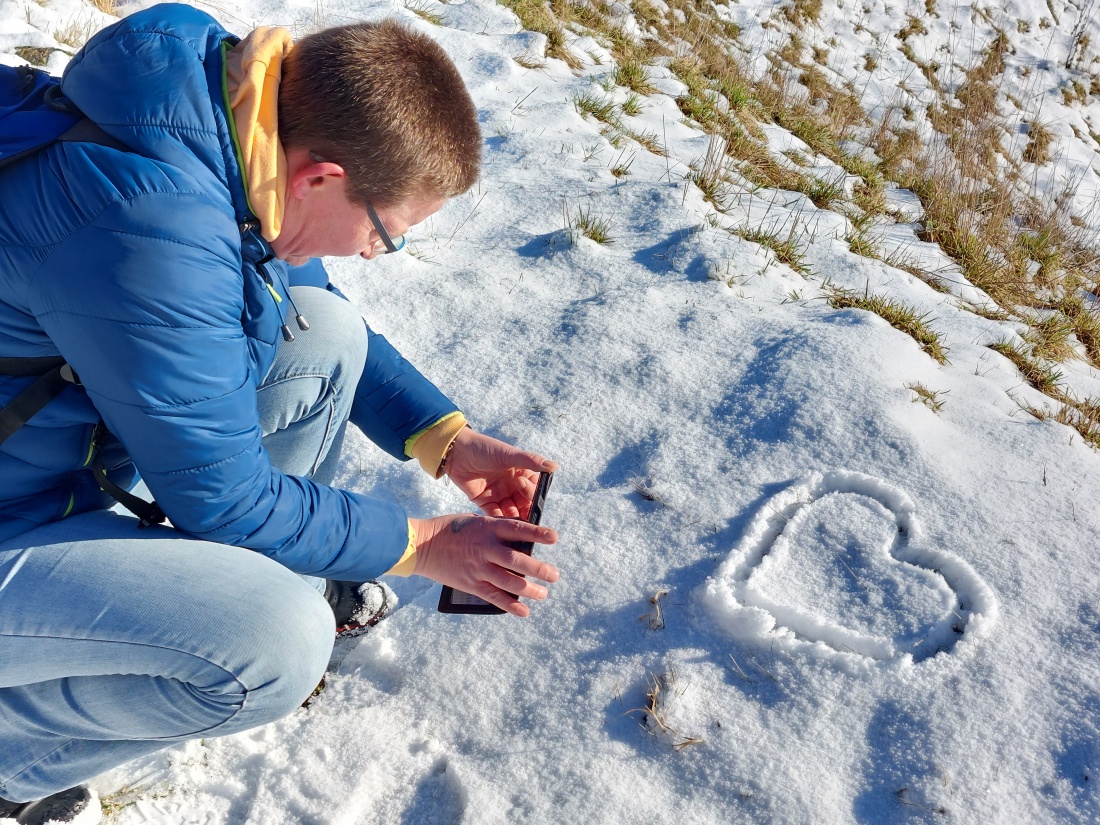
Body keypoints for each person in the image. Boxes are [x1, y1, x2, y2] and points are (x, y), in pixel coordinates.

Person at [0, 4, 560, 822]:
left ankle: (229, 582)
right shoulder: (149, 230)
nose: (376, 253)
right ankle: (15, 758)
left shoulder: (211, 114)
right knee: (276, 640)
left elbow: (300, 297)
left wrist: (446, 438)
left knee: (325, 335)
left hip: (43, 470)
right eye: (387, 234)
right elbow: (226, 500)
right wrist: (423, 543)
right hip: (16, 515)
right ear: (320, 177)